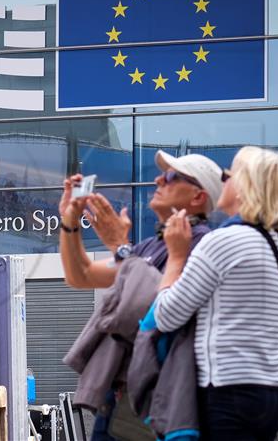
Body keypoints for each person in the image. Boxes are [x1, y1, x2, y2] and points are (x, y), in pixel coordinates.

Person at [59, 151, 224, 440]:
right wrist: (70, 223)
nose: (159, 179)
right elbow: (80, 275)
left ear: (198, 197)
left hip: (155, 398)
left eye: (172, 176)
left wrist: (120, 247)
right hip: (125, 397)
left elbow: (157, 306)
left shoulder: (206, 246)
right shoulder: (150, 247)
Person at [155, 146, 278, 441]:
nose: (223, 180)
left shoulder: (222, 242)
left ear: (244, 186)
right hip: (272, 392)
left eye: (228, 175)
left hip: (226, 390)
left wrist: (176, 257)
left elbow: (166, 315)